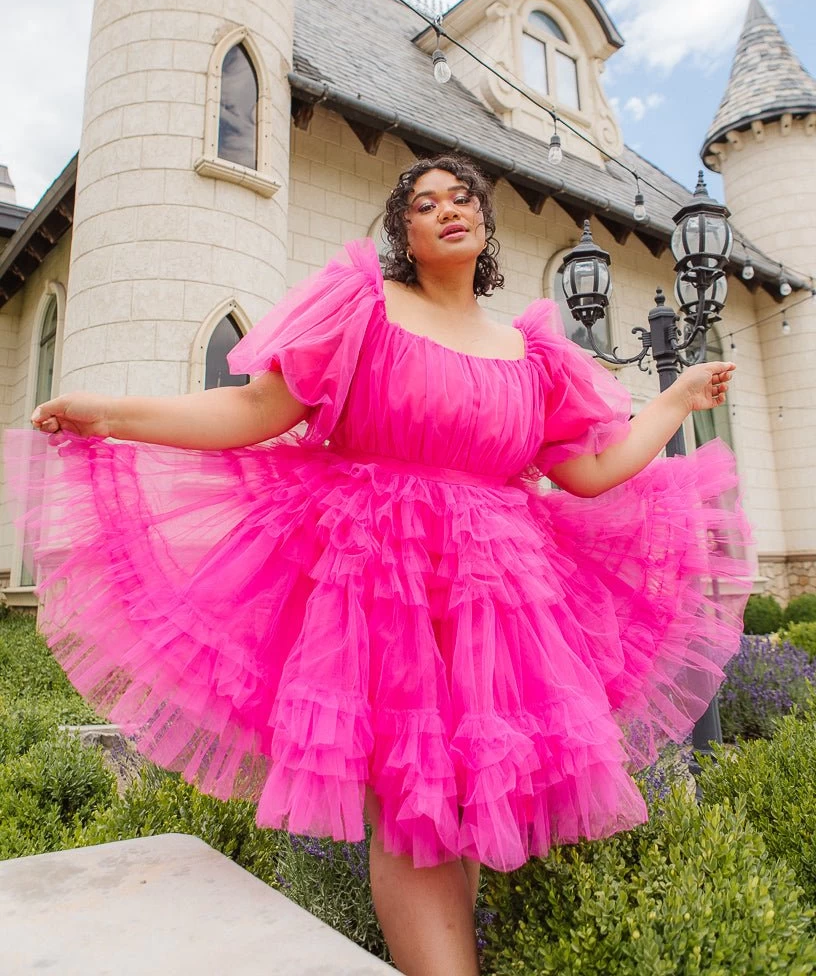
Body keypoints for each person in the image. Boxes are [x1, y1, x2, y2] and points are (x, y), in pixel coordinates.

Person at [9, 156, 751, 976]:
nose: (447, 210)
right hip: (377, 581)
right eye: (425, 204)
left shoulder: (533, 351)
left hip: (493, 595)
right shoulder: (364, 307)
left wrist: (675, 400)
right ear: (404, 230)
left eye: (462, 198)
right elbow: (255, 408)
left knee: (459, 801)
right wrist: (111, 414)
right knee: (411, 803)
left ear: (484, 225)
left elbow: (592, 471)